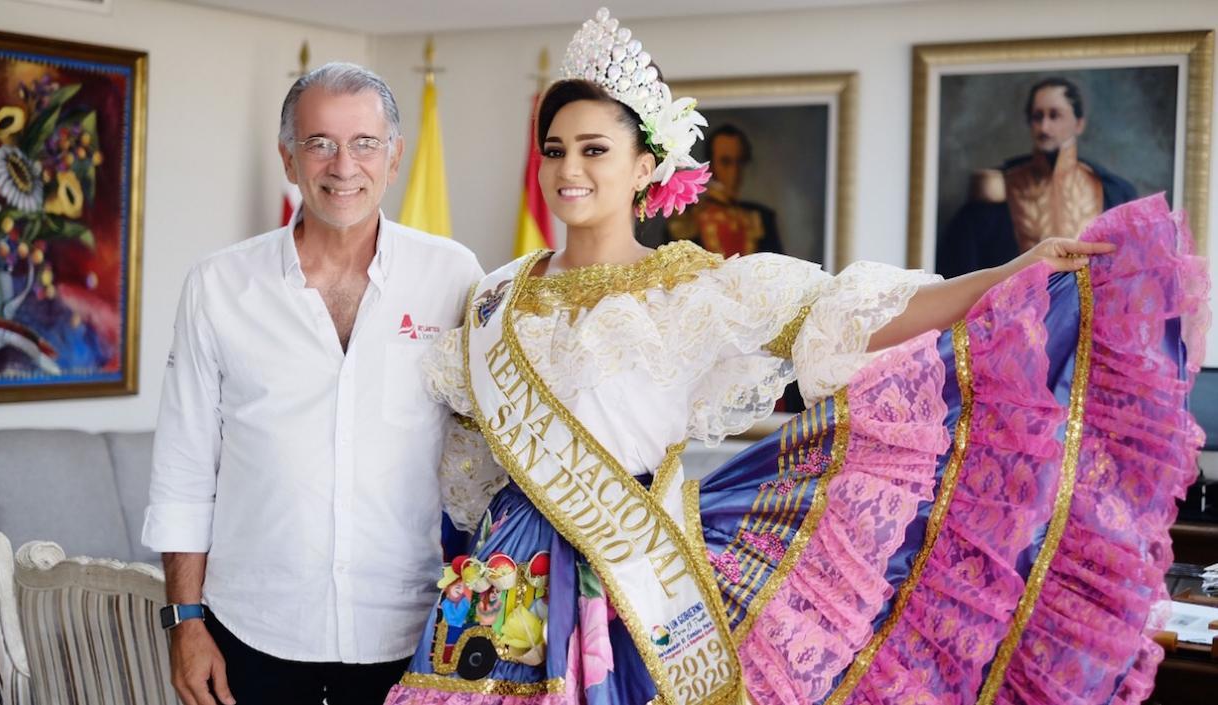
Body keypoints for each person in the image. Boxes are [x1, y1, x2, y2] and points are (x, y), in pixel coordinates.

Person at [386, 9, 1208, 705]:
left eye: (594, 148)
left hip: (634, 589)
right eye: (556, 147)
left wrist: (1012, 273)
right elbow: (464, 467)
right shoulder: (496, 294)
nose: (569, 168)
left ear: (646, 163)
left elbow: (860, 311)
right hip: (497, 593)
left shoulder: (698, 290)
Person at [142, 62, 483, 705]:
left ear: (396, 156)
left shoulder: (454, 275)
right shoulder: (218, 286)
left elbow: (491, 438)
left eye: (363, 143)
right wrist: (184, 624)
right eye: (319, 142)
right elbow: (184, 467)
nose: (342, 165)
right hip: (251, 632)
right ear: (288, 158)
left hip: (409, 630)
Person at [937, 77, 1138, 278]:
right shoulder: (996, 187)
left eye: (1055, 116)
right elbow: (963, 268)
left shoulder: (1113, 191)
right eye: (1037, 117)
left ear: (1078, 124)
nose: (1044, 127)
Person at [664, 123, 782, 257]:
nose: (734, 172)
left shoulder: (761, 218)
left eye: (739, 162)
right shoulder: (687, 219)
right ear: (711, 165)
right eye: (726, 162)